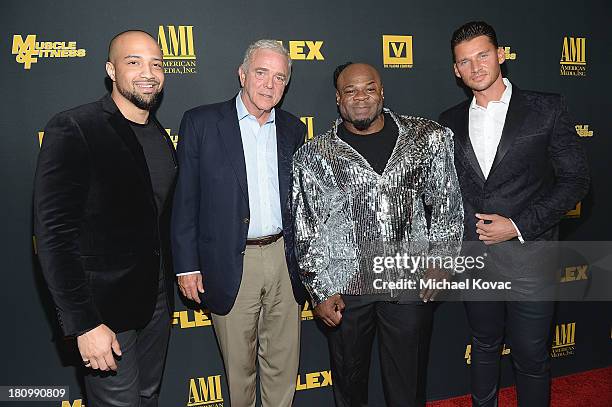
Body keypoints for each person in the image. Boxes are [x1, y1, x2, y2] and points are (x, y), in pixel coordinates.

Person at [292, 62, 463, 407]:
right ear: (338, 99)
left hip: (409, 284)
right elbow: (307, 228)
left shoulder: (426, 138)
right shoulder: (313, 156)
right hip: (346, 290)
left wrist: (442, 260)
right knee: (350, 386)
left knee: (408, 386)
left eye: (369, 89)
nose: (361, 98)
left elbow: (447, 202)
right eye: (350, 91)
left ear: (382, 92)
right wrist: (320, 289)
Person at [438, 21, 590, 407]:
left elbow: (576, 180)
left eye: (483, 55)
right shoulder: (449, 121)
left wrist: (518, 226)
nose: (476, 67)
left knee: (531, 357)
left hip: (531, 258)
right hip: (477, 260)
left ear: (501, 54)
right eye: (465, 62)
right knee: (484, 347)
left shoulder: (547, 108)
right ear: (456, 70)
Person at [34, 30, 177, 406]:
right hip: (103, 312)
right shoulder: (76, 127)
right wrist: (83, 323)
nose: (149, 73)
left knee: (148, 397)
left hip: (156, 302)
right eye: (134, 62)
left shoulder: (158, 133)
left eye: (156, 64)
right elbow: (54, 237)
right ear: (111, 70)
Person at [172, 39, 306, 407]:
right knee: (238, 369)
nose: (269, 84)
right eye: (261, 73)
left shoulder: (294, 130)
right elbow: (185, 199)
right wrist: (187, 265)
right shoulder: (201, 122)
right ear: (243, 74)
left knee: (283, 363)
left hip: (283, 257)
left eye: (279, 77)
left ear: (287, 84)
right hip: (230, 260)